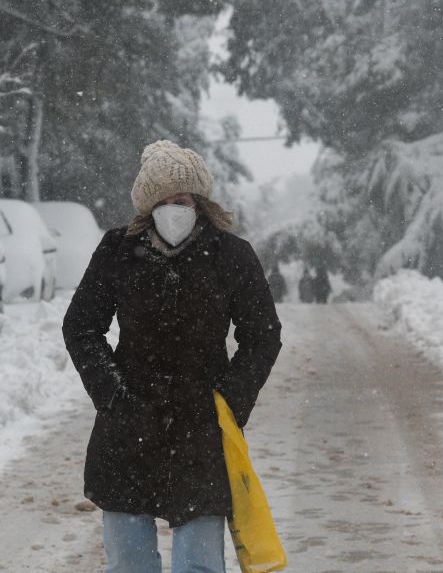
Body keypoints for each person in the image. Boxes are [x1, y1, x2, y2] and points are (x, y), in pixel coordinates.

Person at [62, 140, 283, 573]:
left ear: (199, 201)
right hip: (127, 425)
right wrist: (112, 394)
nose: (172, 208)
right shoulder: (117, 251)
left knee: (198, 563)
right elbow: (81, 327)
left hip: (200, 428)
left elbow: (263, 335)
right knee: (128, 563)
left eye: (180, 199)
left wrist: (230, 401)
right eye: (161, 201)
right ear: (147, 207)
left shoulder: (231, 255)